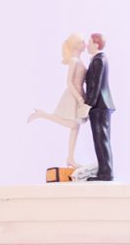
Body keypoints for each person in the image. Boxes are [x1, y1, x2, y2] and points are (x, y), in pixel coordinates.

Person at [27, 34, 89, 167]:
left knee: (76, 127)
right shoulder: (74, 60)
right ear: (76, 45)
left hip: (79, 94)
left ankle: (71, 158)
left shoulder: (79, 60)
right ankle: (42, 114)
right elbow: (69, 82)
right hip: (73, 95)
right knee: (73, 125)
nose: (85, 44)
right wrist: (79, 98)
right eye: (82, 42)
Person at [83, 32, 114, 181]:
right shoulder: (98, 60)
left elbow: (94, 86)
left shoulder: (98, 60)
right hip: (100, 105)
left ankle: (105, 173)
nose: (87, 45)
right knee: (101, 139)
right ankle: (104, 171)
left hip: (99, 106)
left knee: (101, 139)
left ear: (96, 44)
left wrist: (87, 105)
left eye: (89, 42)